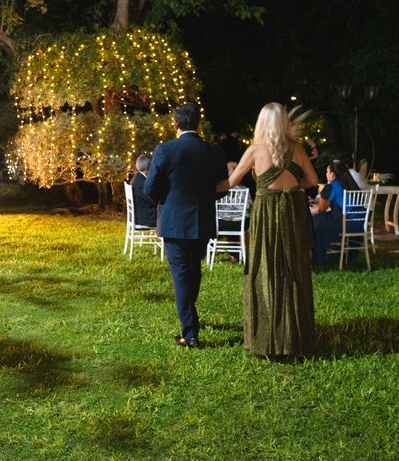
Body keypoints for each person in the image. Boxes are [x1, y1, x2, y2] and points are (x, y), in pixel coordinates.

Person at [216, 102, 318, 357]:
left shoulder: (255, 150)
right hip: (293, 209)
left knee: (266, 267)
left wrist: (203, 187)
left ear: (262, 123)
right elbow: (314, 181)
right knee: (293, 267)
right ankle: (296, 338)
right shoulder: (297, 148)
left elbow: (230, 182)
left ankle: (267, 337)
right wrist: (293, 188)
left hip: (267, 213)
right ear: (283, 122)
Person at [144, 102, 228, 348]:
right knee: (193, 270)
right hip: (202, 220)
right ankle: (190, 314)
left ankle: (190, 333)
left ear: (175, 124)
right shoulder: (214, 152)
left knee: (181, 273)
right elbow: (221, 187)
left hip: (174, 221)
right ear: (198, 123)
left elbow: (150, 188)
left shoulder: (166, 150)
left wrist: (165, 200)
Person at [311, 161, 360, 265]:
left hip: (344, 222)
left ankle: (316, 256)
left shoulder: (331, 187)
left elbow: (322, 209)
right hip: (359, 223)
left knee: (314, 221)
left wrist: (311, 210)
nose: (326, 174)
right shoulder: (350, 184)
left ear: (333, 174)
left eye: (327, 172)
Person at [130, 154, 157, 227]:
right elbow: (153, 201)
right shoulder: (143, 183)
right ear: (148, 168)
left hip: (141, 215)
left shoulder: (136, 178)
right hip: (146, 218)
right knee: (168, 217)